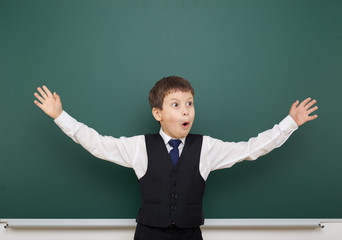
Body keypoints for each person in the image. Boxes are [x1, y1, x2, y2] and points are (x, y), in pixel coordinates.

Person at [34, 76, 318, 240]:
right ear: (157, 113)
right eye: (176, 105)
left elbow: (251, 148)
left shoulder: (206, 148)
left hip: (190, 235)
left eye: (190, 104)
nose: (186, 111)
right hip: (148, 235)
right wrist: (61, 116)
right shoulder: (138, 147)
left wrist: (289, 124)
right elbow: (96, 144)